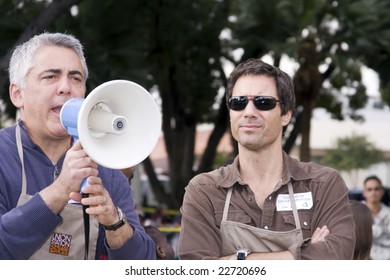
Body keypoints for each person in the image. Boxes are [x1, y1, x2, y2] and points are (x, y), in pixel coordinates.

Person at [178, 58, 355, 260]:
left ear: (286, 114)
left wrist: (230, 262)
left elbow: (336, 258)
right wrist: (295, 256)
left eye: (263, 103)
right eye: (238, 103)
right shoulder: (204, 190)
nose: (249, 112)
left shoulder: (323, 185)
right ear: (230, 113)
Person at [0, 32, 155, 260]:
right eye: (50, 77)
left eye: (75, 78)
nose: (65, 87)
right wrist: (60, 189)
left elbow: (143, 263)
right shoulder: (4, 155)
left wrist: (114, 222)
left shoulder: (106, 166)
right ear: (17, 94)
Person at [362, 175, 390, 259]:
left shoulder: (388, 212)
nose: (373, 193)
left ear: (382, 191)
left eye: (376, 189)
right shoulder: (356, 212)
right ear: (364, 192)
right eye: (369, 189)